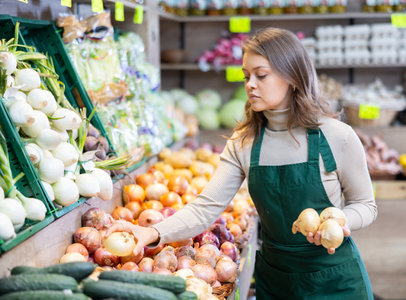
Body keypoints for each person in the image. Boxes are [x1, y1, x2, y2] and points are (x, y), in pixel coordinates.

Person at [106, 27, 377, 299]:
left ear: (293, 76)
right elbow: (205, 208)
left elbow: (366, 205)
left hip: (335, 280)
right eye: (246, 76)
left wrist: (341, 222)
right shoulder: (245, 141)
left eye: (261, 75)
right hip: (277, 280)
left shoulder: (336, 136)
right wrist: (151, 232)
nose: (250, 84)